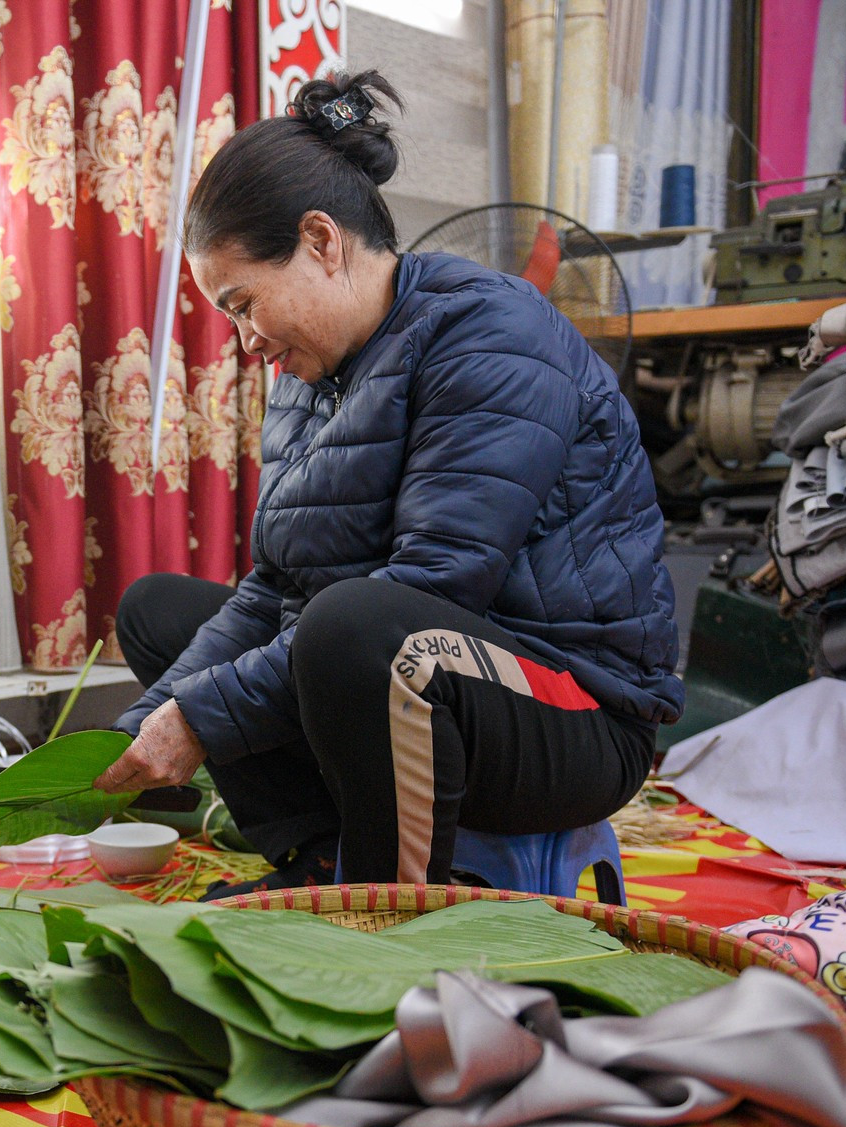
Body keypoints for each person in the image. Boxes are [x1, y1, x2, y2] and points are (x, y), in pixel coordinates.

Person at [95, 70, 683, 895]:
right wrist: (138, 732)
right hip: (422, 675)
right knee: (159, 612)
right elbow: (275, 587)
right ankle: (318, 854)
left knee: (355, 628)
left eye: (243, 303)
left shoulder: (492, 335)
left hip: (571, 714)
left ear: (322, 242)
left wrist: (204, 718)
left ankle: (381, 900)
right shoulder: (308, 375)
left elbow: (438, 582)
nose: (244, 339)